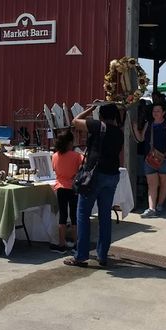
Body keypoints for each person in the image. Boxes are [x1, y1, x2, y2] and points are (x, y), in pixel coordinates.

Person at [64, 103, 124, 268]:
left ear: (101, 115)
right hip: (112, 175)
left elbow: (76, 121)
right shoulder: (119, 132)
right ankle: (102, 255)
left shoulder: (98, 126)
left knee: (83, 214)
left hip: (95, 175)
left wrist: (90, 109)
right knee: (105, 216)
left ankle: (81, 255)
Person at [132, 100, 166, 217]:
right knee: (152, 183)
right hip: (149, 158)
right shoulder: (149, 124)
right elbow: (141, 139)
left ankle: (159, 205)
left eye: (158, 111)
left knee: (163, 182)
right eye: (154, 111)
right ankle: (152, 208)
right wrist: (136, 129)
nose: (155, 113)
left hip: (164, 158)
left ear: (163, 113)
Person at [50, 130, 84, 253]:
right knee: (75, 216)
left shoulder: (54, 156)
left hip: (60, 187)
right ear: (70, 142)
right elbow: (84, 165)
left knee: (62, 216)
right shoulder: (76, 155)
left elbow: (54, 168)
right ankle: (76, 244)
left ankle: (61, 244)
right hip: (73, 187)